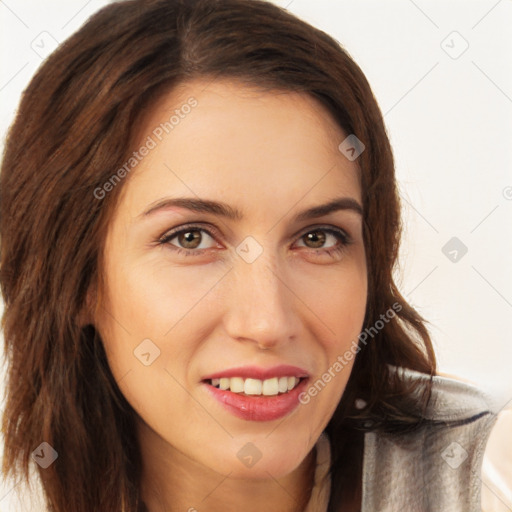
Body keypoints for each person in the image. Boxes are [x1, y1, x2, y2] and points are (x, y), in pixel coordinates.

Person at [0, 1, 498, 511]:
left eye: (318, 238)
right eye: (190, 238)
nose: (267, 322)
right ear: (76, 278)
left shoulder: (485, 478)